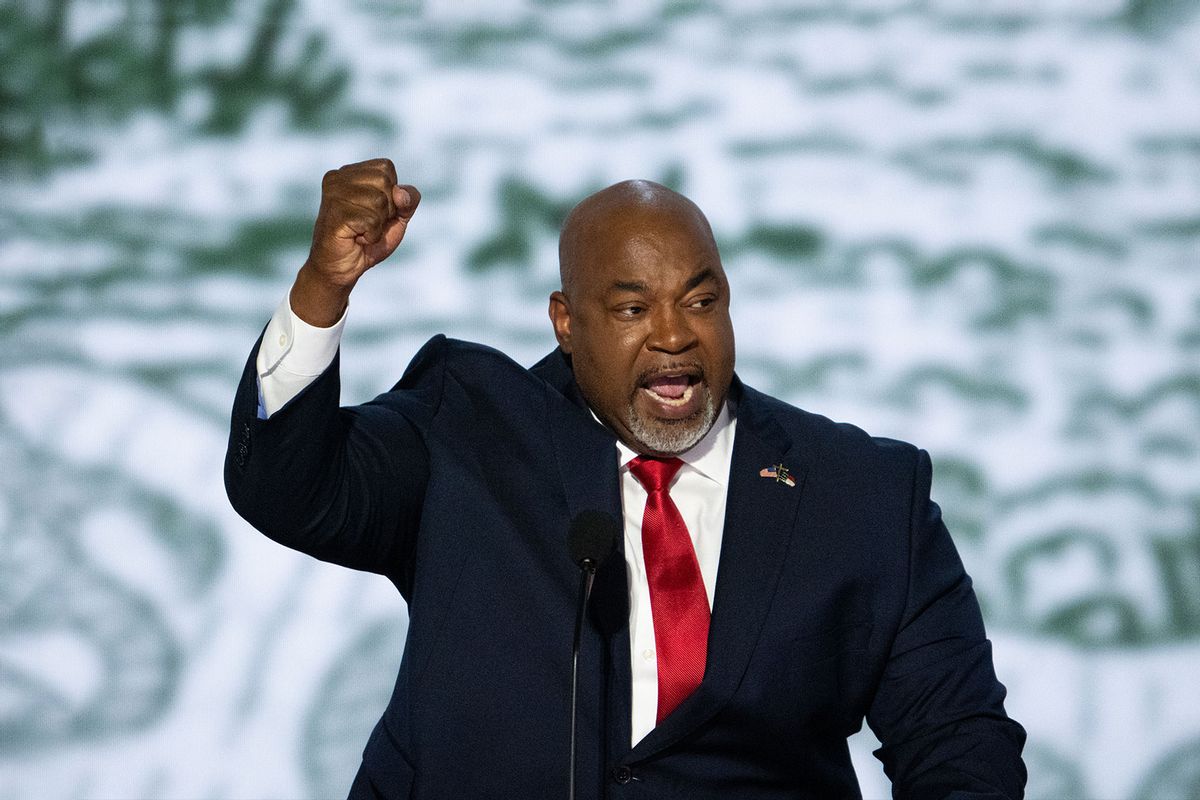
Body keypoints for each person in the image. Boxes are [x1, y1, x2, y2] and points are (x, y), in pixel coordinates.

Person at [225, 158, 1026, 799]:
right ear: (567, 323)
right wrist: (322, 291)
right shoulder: (468, 430)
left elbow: (959, 746)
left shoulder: (861, 494)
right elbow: (292, 489)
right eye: (634, 309)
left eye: (701, 300)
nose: (675, 334)